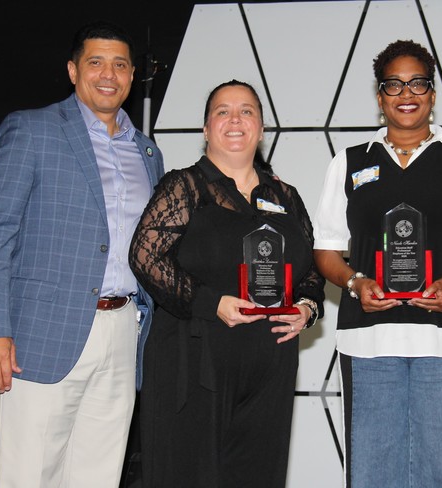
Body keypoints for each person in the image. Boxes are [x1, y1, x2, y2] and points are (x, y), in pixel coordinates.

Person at [0, 21, 164, 487]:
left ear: (133, 76)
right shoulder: (31, 129)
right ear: (73, 70)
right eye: (95, 62)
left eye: (120, 64)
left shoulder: (148, 153)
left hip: (122, 334)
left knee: (98, 476)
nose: (108, 74)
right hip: (38, 337)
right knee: (29, 476)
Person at [313, 40, 442, 487]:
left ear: (433, 92)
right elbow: (325, 251)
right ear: (380, 96)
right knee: (371, 473)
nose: (407, 94)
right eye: (394, 85)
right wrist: (355, 284)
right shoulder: (348, 162)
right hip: (368, 341)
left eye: (417, 83)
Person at [129, 79, 325, 488]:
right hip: (195, 359)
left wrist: (307, 309)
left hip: (269, 365)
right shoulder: (185, 186)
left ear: (261, 127)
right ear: (206, 129)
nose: (235, 119)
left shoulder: (285, 195)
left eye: (247, 111)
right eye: (223, 111)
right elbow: (145, 256)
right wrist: (209, 301)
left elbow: (309, 267)